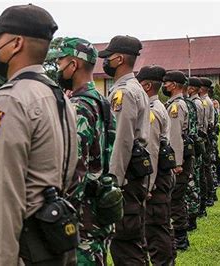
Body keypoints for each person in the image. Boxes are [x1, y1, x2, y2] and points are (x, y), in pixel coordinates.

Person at [0, 4, 78, 265]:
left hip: (27, 245)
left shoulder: (11, 98)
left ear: (16, 43)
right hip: (56, 235)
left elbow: (4, 193)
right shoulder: (59, 96)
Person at [51, 36, 117, 265]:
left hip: (83, 216)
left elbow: (75, 169)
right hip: (102, 207)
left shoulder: (79, 107)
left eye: (60, 62)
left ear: (74, 64)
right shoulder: (102, 101)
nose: (58, 68)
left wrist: (60, 212)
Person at [98, 35, 150, 265]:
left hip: (126, 177)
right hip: (135, 173)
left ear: (119, 59)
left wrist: (114, 182)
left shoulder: (123, 92)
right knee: (132, 241)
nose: (105, 62)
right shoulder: (135, 88)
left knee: (125, 244)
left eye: (107, 58)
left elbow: (121, 141)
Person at [136, 65, 176, 265]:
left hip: (156, 179)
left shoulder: (151, 112)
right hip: (162, 177)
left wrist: (147, 186)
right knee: (160, 227)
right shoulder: (158, 107)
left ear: (147, 86)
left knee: (155, 230)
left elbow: (151, 152)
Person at [162, 70, 191, 251]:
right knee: (177, 197)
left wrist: (177, 162)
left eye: (166, 83)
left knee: (175, 198)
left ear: (173, 85)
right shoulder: (177, 103)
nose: (164, 86)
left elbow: (175, 136)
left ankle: (180, 237)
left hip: (180, 158)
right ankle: (181, 234)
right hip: (181, 157)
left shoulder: (176, 106)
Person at [185, 77, 204, 231]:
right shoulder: (193, 103)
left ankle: (193, 213)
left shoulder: (194, 104)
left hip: (191, 144)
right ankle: (196, 209)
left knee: (193, 180)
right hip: (194, 143)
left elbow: (196, 125)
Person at [199, 77, 216, 213]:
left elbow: (204, 122)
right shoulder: (206, 101)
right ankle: (210, 193)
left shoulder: (204, 102)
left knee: (205, 168)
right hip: (207, 135)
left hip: (205, 136)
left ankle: (210, 194)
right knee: (207, 167)